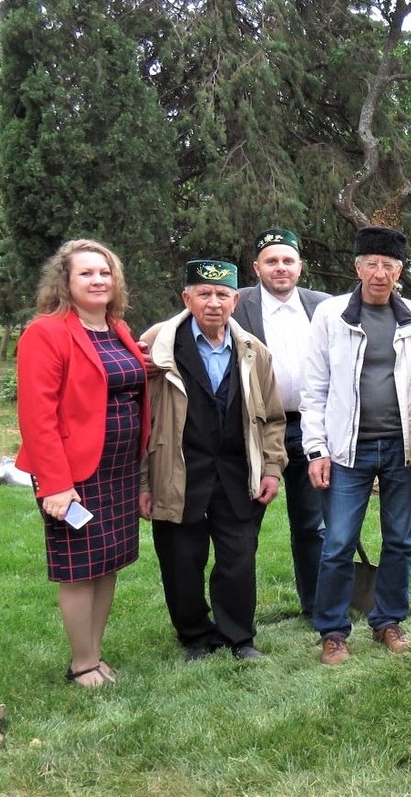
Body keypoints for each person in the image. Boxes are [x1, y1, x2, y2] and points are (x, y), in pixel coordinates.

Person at [17, 240, 150, 686]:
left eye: (105, 273)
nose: (98, 280)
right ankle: (81, 665)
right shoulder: (46, 331)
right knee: (78, 568)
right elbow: (37, 415)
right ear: (66, 282)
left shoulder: (117, 328)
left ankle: (94, 654)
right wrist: (55, 483)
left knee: (108, 561)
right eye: (87, 274)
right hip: (73, 474)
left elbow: (113, 377)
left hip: (119, 469)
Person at [301, 226, 411, 665]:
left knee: (400, 540)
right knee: (338, 541)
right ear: (357, 267)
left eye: (389, 266)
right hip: (348, 449)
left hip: (403, 448)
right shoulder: (331, 316)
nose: (380, 273)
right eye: (372, 264)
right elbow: (314, 387)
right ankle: (333, 631)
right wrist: (316, 449)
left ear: (400, 270)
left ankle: (388, 621)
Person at [140, 260, 286, 661]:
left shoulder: (255, 352)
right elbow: (141, 418)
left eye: (222, 294)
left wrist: (272, 468)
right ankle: (195, 636)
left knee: (238, 558)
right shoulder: (157, 344)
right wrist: (144, 484)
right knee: (182, 560)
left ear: (236, 300)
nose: (213, 302)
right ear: (186, 298)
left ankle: (239, 637)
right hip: (177, 471)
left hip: (238, 473)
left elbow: (273, 418)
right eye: (203, 293)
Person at [231, 227, 330, 620]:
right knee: (244, 525)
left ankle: (317, 607)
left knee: (311, 526)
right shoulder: (239, 305)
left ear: (300, 267)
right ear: (256, 267)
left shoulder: (323, 307)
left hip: (310, 429)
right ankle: (239, 612)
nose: (281, 268)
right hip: (256, 431)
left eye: (288, 260)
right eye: (272, 261)